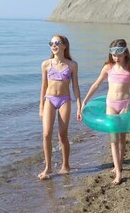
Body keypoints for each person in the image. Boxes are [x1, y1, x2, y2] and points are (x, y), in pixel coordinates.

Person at [81, 39, 130, 185]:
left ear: (125, 53)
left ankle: (119, 164)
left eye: (119, 55)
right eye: (113, 55)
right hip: (110, 104)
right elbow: (96, 84)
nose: (116, 58)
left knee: (122, 138)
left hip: (125, 104)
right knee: (113, 140)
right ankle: (118, 171)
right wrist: (85, 101)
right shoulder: (108, 67)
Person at [38, 34, 82, 180]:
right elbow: (43, 87)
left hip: (64, 100)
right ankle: (48, 167)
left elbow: (75, 87)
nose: (54, 45)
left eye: (57, 42)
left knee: (62, 135)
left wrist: (79, 105)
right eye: (51, 42)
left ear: (64, 45)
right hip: (49, 100)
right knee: (46, 134)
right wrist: (41, 106)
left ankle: (65, 165)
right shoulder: (46, 64)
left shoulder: (72, 65)